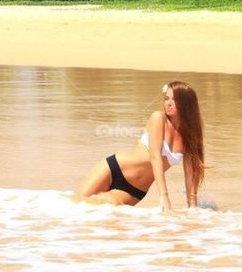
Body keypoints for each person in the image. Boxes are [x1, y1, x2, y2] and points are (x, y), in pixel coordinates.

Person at [75, 81, 205, 213]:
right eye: (166, 98)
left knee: (104, 213)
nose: (169, 103)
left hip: (135, 191)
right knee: (76, 207)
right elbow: (155, 157)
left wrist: (193, 208)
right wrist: (164, 196)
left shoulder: (189, 135)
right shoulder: (158, 118)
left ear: (186, 103)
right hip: (113, 170)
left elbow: (190, 173)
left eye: (174, 99)